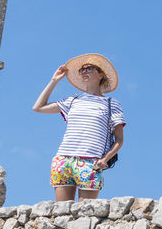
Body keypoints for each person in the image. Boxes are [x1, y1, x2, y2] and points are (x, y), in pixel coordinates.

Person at [32, 53, 126, 202]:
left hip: (90, 162)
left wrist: (105, 159)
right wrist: (54, 81)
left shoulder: (111, 104)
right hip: (63, 159)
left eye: (89, 68)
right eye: (81, 70)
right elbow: (38, 107)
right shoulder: (72, 100)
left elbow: (119, 140)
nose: (84, 72)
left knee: (85, 215)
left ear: (100, 74)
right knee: (61, 214)